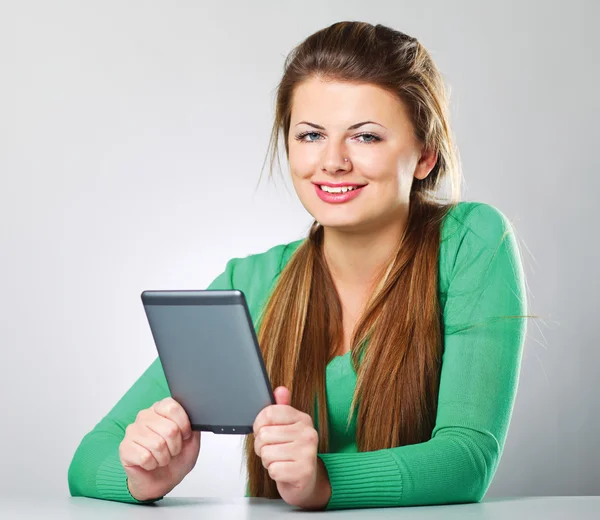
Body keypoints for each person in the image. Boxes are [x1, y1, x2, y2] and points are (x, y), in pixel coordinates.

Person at [68, 21, 529, 511]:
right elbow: (87, 461)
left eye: (366, 137)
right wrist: (142, 476)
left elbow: (466, 460)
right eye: (310, 135)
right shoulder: (250, 284)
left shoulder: (471, 241)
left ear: (425, 154)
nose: (332, 162)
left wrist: (321, 482)